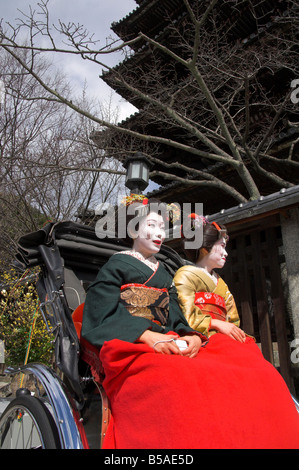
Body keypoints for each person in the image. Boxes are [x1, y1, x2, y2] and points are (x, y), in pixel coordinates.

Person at [81, 196, 207, 448]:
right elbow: (100, 313)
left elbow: (175, 314)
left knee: (214, 365)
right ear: (132, 230)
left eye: (162, 228)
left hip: (165, 341)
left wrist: (190, 334)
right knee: (169, 378)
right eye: (151, 225)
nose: (159, 233)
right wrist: (145, 335)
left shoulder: (164, 272)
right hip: (129, 341)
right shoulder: (116, 265)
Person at [173, 213, 299, 448]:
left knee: (262, 371)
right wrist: (216, 324)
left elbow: (232, 316)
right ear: (204, 248)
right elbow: (187, 314)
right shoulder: (185, 275)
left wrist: (228, 327)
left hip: (226, 339)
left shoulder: (221, 283)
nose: (226, 253)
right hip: (203, 337)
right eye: (221, 247)